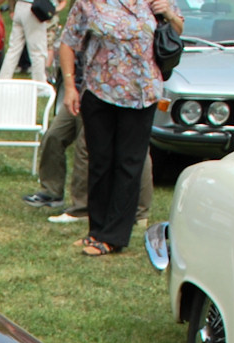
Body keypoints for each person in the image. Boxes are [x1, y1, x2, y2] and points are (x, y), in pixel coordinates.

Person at [57, 0, 179, 256]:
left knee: (129, 163)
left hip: (141, 94)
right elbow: (68, 42)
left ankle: (113, 236)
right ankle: (96, 230)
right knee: (100, 161)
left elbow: (177, 29)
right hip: (99, 90)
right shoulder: (88, 3)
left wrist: (167, 12)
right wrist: (70, 86)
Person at [0, 0, 49, 82]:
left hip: (20, 5)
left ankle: (2, 80)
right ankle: (40, 85)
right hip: (33, 7)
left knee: (13, 49)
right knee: (38, 51)